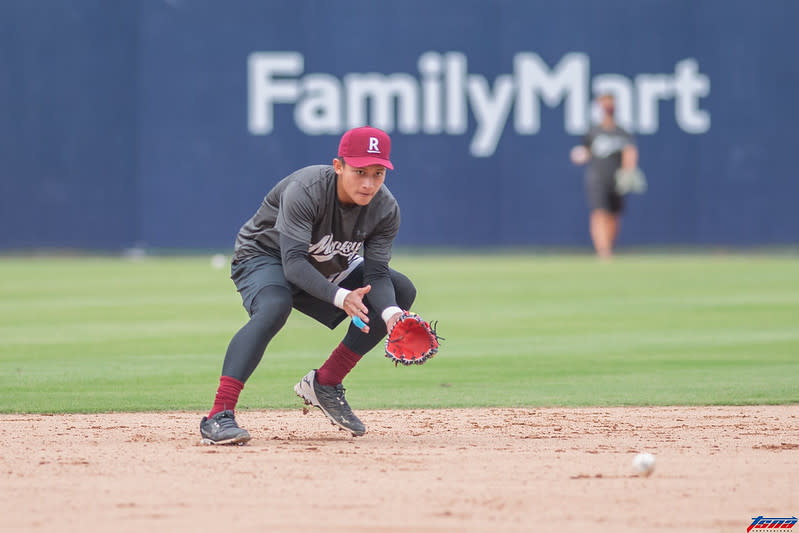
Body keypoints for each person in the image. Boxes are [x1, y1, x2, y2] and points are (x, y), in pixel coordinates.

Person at [200, 126, 415, 445]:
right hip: (265, 254)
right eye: (359, 172)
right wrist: (342, 297)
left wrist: (392, 315)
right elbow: (295, 264)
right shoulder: (308, 188)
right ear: (338, 166)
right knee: (275, 306)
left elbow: (377, 275)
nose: (369, 183)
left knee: (401, 291)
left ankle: (326, 383)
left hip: (324, 261)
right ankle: (219, 415)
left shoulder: (385, 209)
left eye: (378, 172)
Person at [570, 93, 641, 260]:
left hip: (617, 178)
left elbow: (630, 151)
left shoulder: (622, 132)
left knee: (613, 215)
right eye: (605, 103)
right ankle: (603, 250)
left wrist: (629, 170)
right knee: (599, 212)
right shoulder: (593, 131)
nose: (608, 106)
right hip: (597, 177)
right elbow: (586, 151)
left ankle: (609, 246)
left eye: (611, 103)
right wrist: (581, 156)